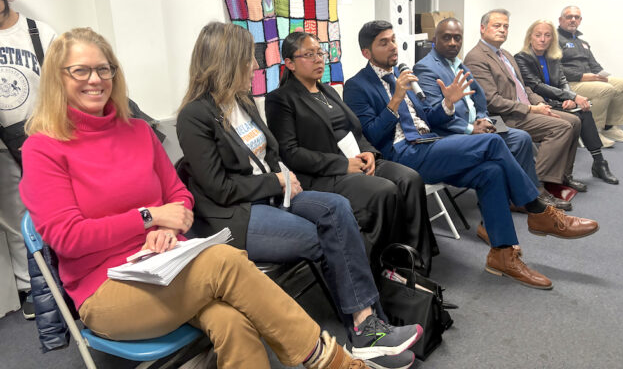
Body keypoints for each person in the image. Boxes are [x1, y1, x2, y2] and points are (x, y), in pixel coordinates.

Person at [18, 27, 371, 369]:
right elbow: (68, 237)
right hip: (104, 288)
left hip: (165, 262)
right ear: (57, 78)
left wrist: (169, 228)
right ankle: (330, 360)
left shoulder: (138, 131)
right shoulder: (43, 147)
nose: (94, 79)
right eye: (80, 70)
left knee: (233, 322)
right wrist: (150, 218)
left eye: (103, 69)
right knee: (223, 260)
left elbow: (180, 198)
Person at [176, 22, 421, 369]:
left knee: (338, 209)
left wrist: (282, 176)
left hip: (274, 197)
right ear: (226, 60)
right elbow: (220, 189)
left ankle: (367, 326)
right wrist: (278, 181)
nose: (254, 66)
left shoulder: (242, 102)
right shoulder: (194, 116)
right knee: (323, 236)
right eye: (248, 59)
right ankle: (366, 330)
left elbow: (269, 153)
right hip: (237, 215)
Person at [343, 20, 600, 291]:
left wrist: (447, 102)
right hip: (402, 153)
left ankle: (502, 254)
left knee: (491, 172)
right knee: (491, 144)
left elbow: (429, 117)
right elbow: (371, 135)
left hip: (429, 143)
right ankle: (538, 210)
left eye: (393, 39)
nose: (393, 46)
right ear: (366, 52)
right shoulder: (357, 86)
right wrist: (394, 100)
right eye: (384, 43)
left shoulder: (402, 75)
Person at [265, 31, 438, 273]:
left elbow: (355, 130)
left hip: (357, 161)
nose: (318, 59)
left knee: (409, 179)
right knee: (385, 191)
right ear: (290, 63)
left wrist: (368, 153)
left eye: (319, 53)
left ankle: (416, 266)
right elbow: (291, 153)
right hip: (324, 175)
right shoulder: (280, 99)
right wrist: (342, 164)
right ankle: (379, 268)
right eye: (309, 55)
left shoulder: (328, 91)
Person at [413, 17, 571, 210]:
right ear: (434, 40)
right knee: (507, 142)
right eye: (447, 38)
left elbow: (480, 99)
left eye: (457, 38)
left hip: (480, 123)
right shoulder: (425, 68)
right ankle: (530, 197)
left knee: (521, 139)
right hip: (454, 132)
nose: (453, 43)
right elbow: (434, 115)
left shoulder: (458, 63)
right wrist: (471, 128)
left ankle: (522, 195)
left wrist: (484, 118)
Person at [463, 9, 587, 193]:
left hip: (522, 111)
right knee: (560, 127)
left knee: (575, 121)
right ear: (482, 28)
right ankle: (535, 187)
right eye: (497, 26)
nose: (502, 30)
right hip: (500, 117)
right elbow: (492, 101)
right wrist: (531, 109)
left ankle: (561, 177)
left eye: (505, 26)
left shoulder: (505, 54)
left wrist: (539, 104)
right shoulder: (476, 57)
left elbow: (524, 88)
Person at [0, 0, 57, 319]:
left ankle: (62, 279)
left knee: (53, 210)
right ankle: (29, 288)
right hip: (2, 147)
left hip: (44, 138)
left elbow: (63, 84)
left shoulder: (40, 33)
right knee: (15, 219)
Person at [515, 19, 619, 185]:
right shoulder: (521, 58)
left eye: (547, 35)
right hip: (539, 104)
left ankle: (599, 162)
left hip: (558, 101)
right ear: (530, 37)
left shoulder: (554, 57)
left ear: (552, 39)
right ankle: (563, 175)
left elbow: (563, 80)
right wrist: (569, 97)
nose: (542, 39)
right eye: (538, 35)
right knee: (576, 119)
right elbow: (536, 85)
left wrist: (571, 98)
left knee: (584, 110)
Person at [557, 5, 623, 146]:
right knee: (605, 89)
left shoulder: (583, 43)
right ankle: (593, 132)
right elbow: (556, 68)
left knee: (622, 84)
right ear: (561, 20)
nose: (573, 20)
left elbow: (594, 64)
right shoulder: (555, 39)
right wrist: (582, 76)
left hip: (588, 80)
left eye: (577, 17)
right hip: (570, 83)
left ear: (580, 20)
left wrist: (601, 75)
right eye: (569, 17)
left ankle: (609, 127)